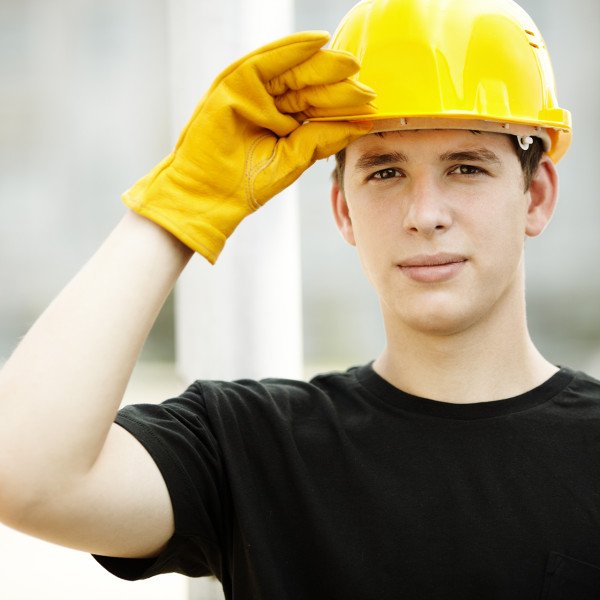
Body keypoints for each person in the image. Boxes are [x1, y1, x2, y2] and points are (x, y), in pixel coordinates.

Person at [1, 0, 599, 598]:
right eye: (385, 172)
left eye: (466, 168)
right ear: (343, 209)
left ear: (537, 194)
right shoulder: (252, 447)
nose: (425, 215)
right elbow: (23, 471)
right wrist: (182, 205)